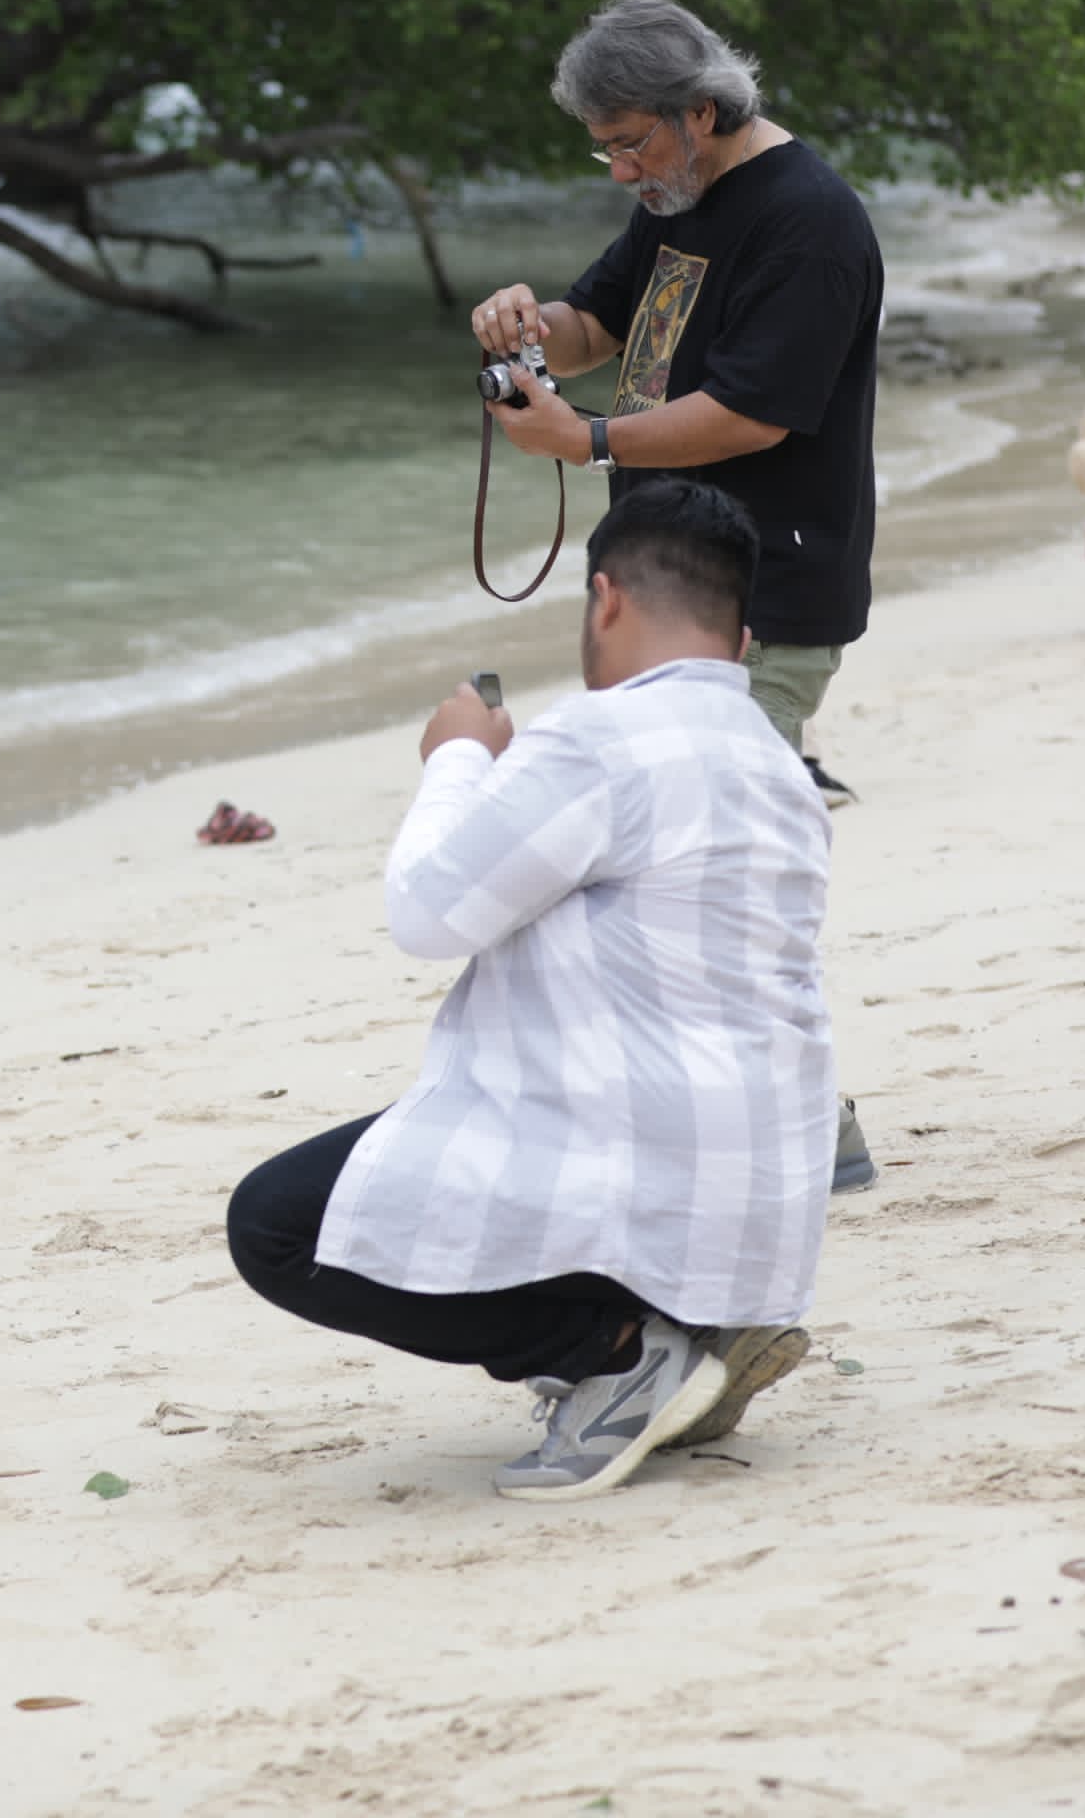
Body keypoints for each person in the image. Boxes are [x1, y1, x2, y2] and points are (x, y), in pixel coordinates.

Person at [224, 480, 834, 1501]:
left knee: (276, 1225)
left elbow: (429, 911)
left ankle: (616, 1351)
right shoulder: (778, 765)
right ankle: (683, 1326)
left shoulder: (600, 737)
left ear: (606, 598)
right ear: (740, 635)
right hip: (756, 1196)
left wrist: (459, 755)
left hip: (645, 1158)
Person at [467, 0, 881, 806]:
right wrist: (525, 324)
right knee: (663, 827)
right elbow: (594, 326)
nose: (621, 171)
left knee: (716, 830)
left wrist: (586, 440)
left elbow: (750, 416)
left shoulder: (810, 220)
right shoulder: (677, 193)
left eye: (630, 143)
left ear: (701, 110)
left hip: (759, 595)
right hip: (660, 578)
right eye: (605, 148)